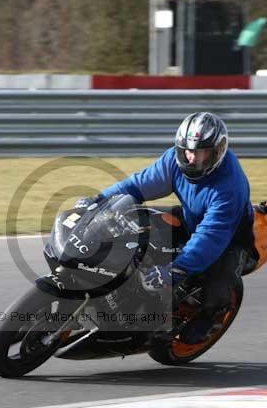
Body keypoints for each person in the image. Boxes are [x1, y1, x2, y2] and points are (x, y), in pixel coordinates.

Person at [75, 112, 256, 344]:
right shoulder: (174, 159)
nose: (191, 158)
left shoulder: (229, 186)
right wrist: (100, 199)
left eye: (201, 152)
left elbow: (211, 235)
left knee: (217, 283)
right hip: (192, 217)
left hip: (229, 238)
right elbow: (139, 185)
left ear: (217, 152)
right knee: (133, 219)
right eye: (188, 150)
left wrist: (176, 270)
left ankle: (211, 316)